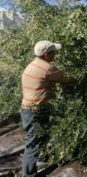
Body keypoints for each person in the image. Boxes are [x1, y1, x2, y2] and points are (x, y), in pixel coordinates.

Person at [21, 40, 75, 177]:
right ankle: (28, 175)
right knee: (32, 144)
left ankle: (42, 158)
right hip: (34, 111)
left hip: (31, 108)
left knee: (42, 135)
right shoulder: (46, 68)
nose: (55, 55)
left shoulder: (33, 64)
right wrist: (84, 76)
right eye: (54, 52)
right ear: (46, 55)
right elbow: (67, 78)